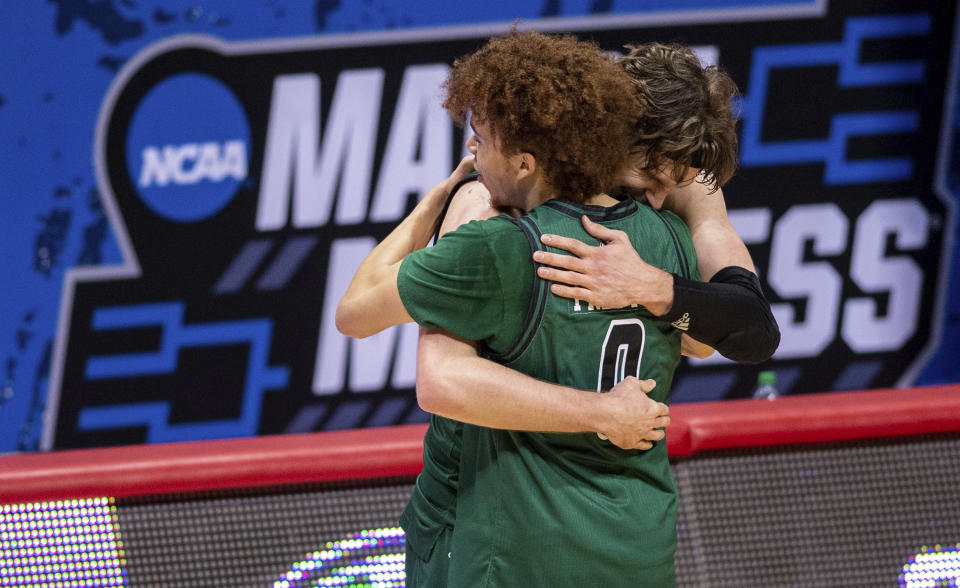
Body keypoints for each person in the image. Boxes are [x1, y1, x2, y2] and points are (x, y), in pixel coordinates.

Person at [337, 30, 700, 586]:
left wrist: (434, 206)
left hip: (521, 551)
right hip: (639, 543)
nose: (471, 153)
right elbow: (706, 337)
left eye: (481, 139)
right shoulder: (669, 237)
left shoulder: (495, 245)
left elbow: (355, 312)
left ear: (526, 162)